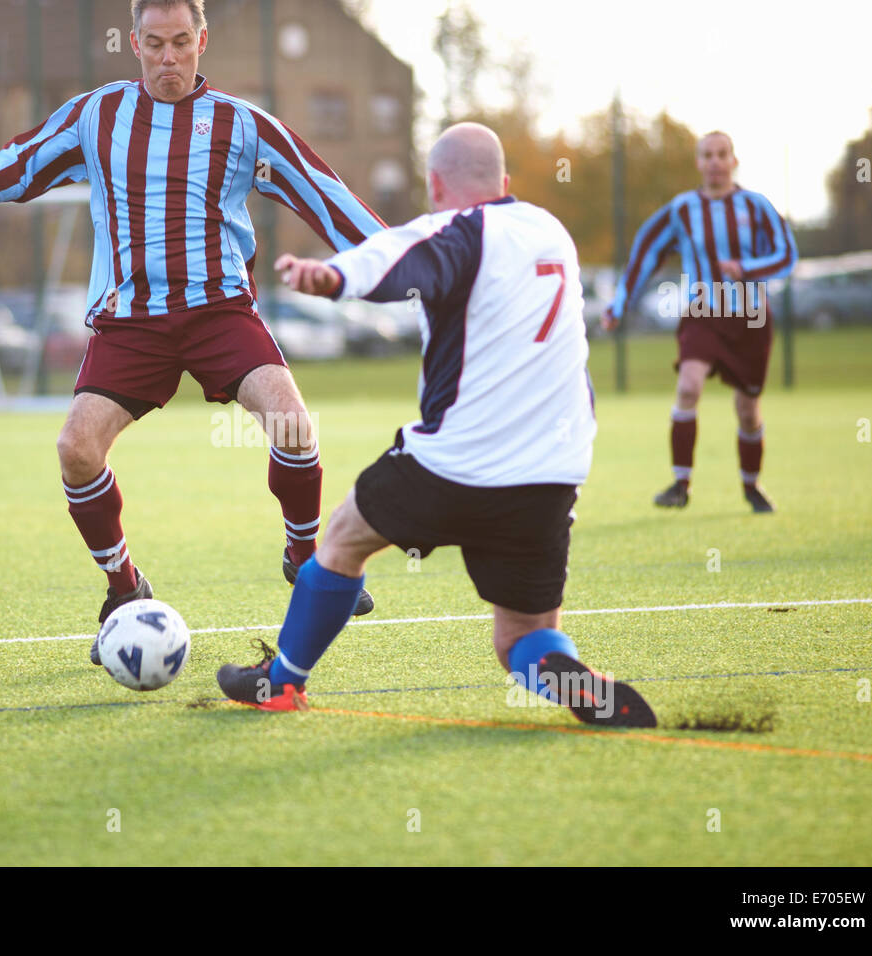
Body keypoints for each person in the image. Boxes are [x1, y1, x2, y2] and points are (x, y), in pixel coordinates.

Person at [0, 0, 383, 660]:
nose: (168, 58)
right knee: (76, 448)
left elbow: (322, 191)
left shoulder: (242, 125)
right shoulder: (98, 114)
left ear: (202, 41)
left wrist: (405, 254)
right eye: (154, 43)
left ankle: (304, 558)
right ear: (134, 43)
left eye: (180, 42)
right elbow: (23, 162)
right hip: (131, 322)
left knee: (294, 427)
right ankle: (124, 587)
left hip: (219, 312)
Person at [216, 123, 656, 728]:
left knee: (341, 541)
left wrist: (334, 277)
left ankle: (282, 684)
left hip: (454, 465)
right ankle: (561, 669)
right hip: (551, 474)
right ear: (504, 182)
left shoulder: (455, 228)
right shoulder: (551, 231)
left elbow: (396, 258)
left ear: (435, 185)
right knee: (521, 639)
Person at [603, 131, 798, 513]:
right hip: (703, 313)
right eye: (707, 155)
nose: (714, 161)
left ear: (733, 160)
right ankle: (680, 485)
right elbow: (646, 251)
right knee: (689, 387)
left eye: (721, 154)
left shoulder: (756, 206)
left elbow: (786, 255)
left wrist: (746, 268)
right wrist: (619, 303)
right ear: (698, 162)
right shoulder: (683, 209)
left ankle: (751, 486)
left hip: (750, 317)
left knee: (747, 409)